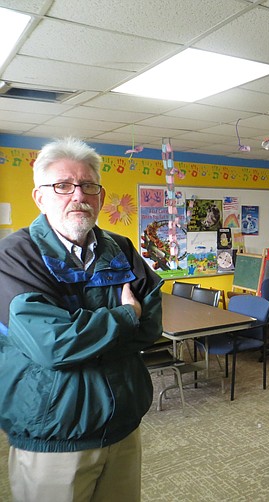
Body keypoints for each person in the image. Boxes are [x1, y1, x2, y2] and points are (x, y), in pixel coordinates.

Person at [0, 138, 163, 501]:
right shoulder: (15, 256)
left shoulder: (120, 248)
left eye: (88, 186)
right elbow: (53, 345)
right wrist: (125, 315)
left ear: (101, 196)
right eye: (63, 186)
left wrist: (88, 333)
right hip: (54, 434)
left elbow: (151, 324)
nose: (78, 196)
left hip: (122, 425)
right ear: (40, 197)